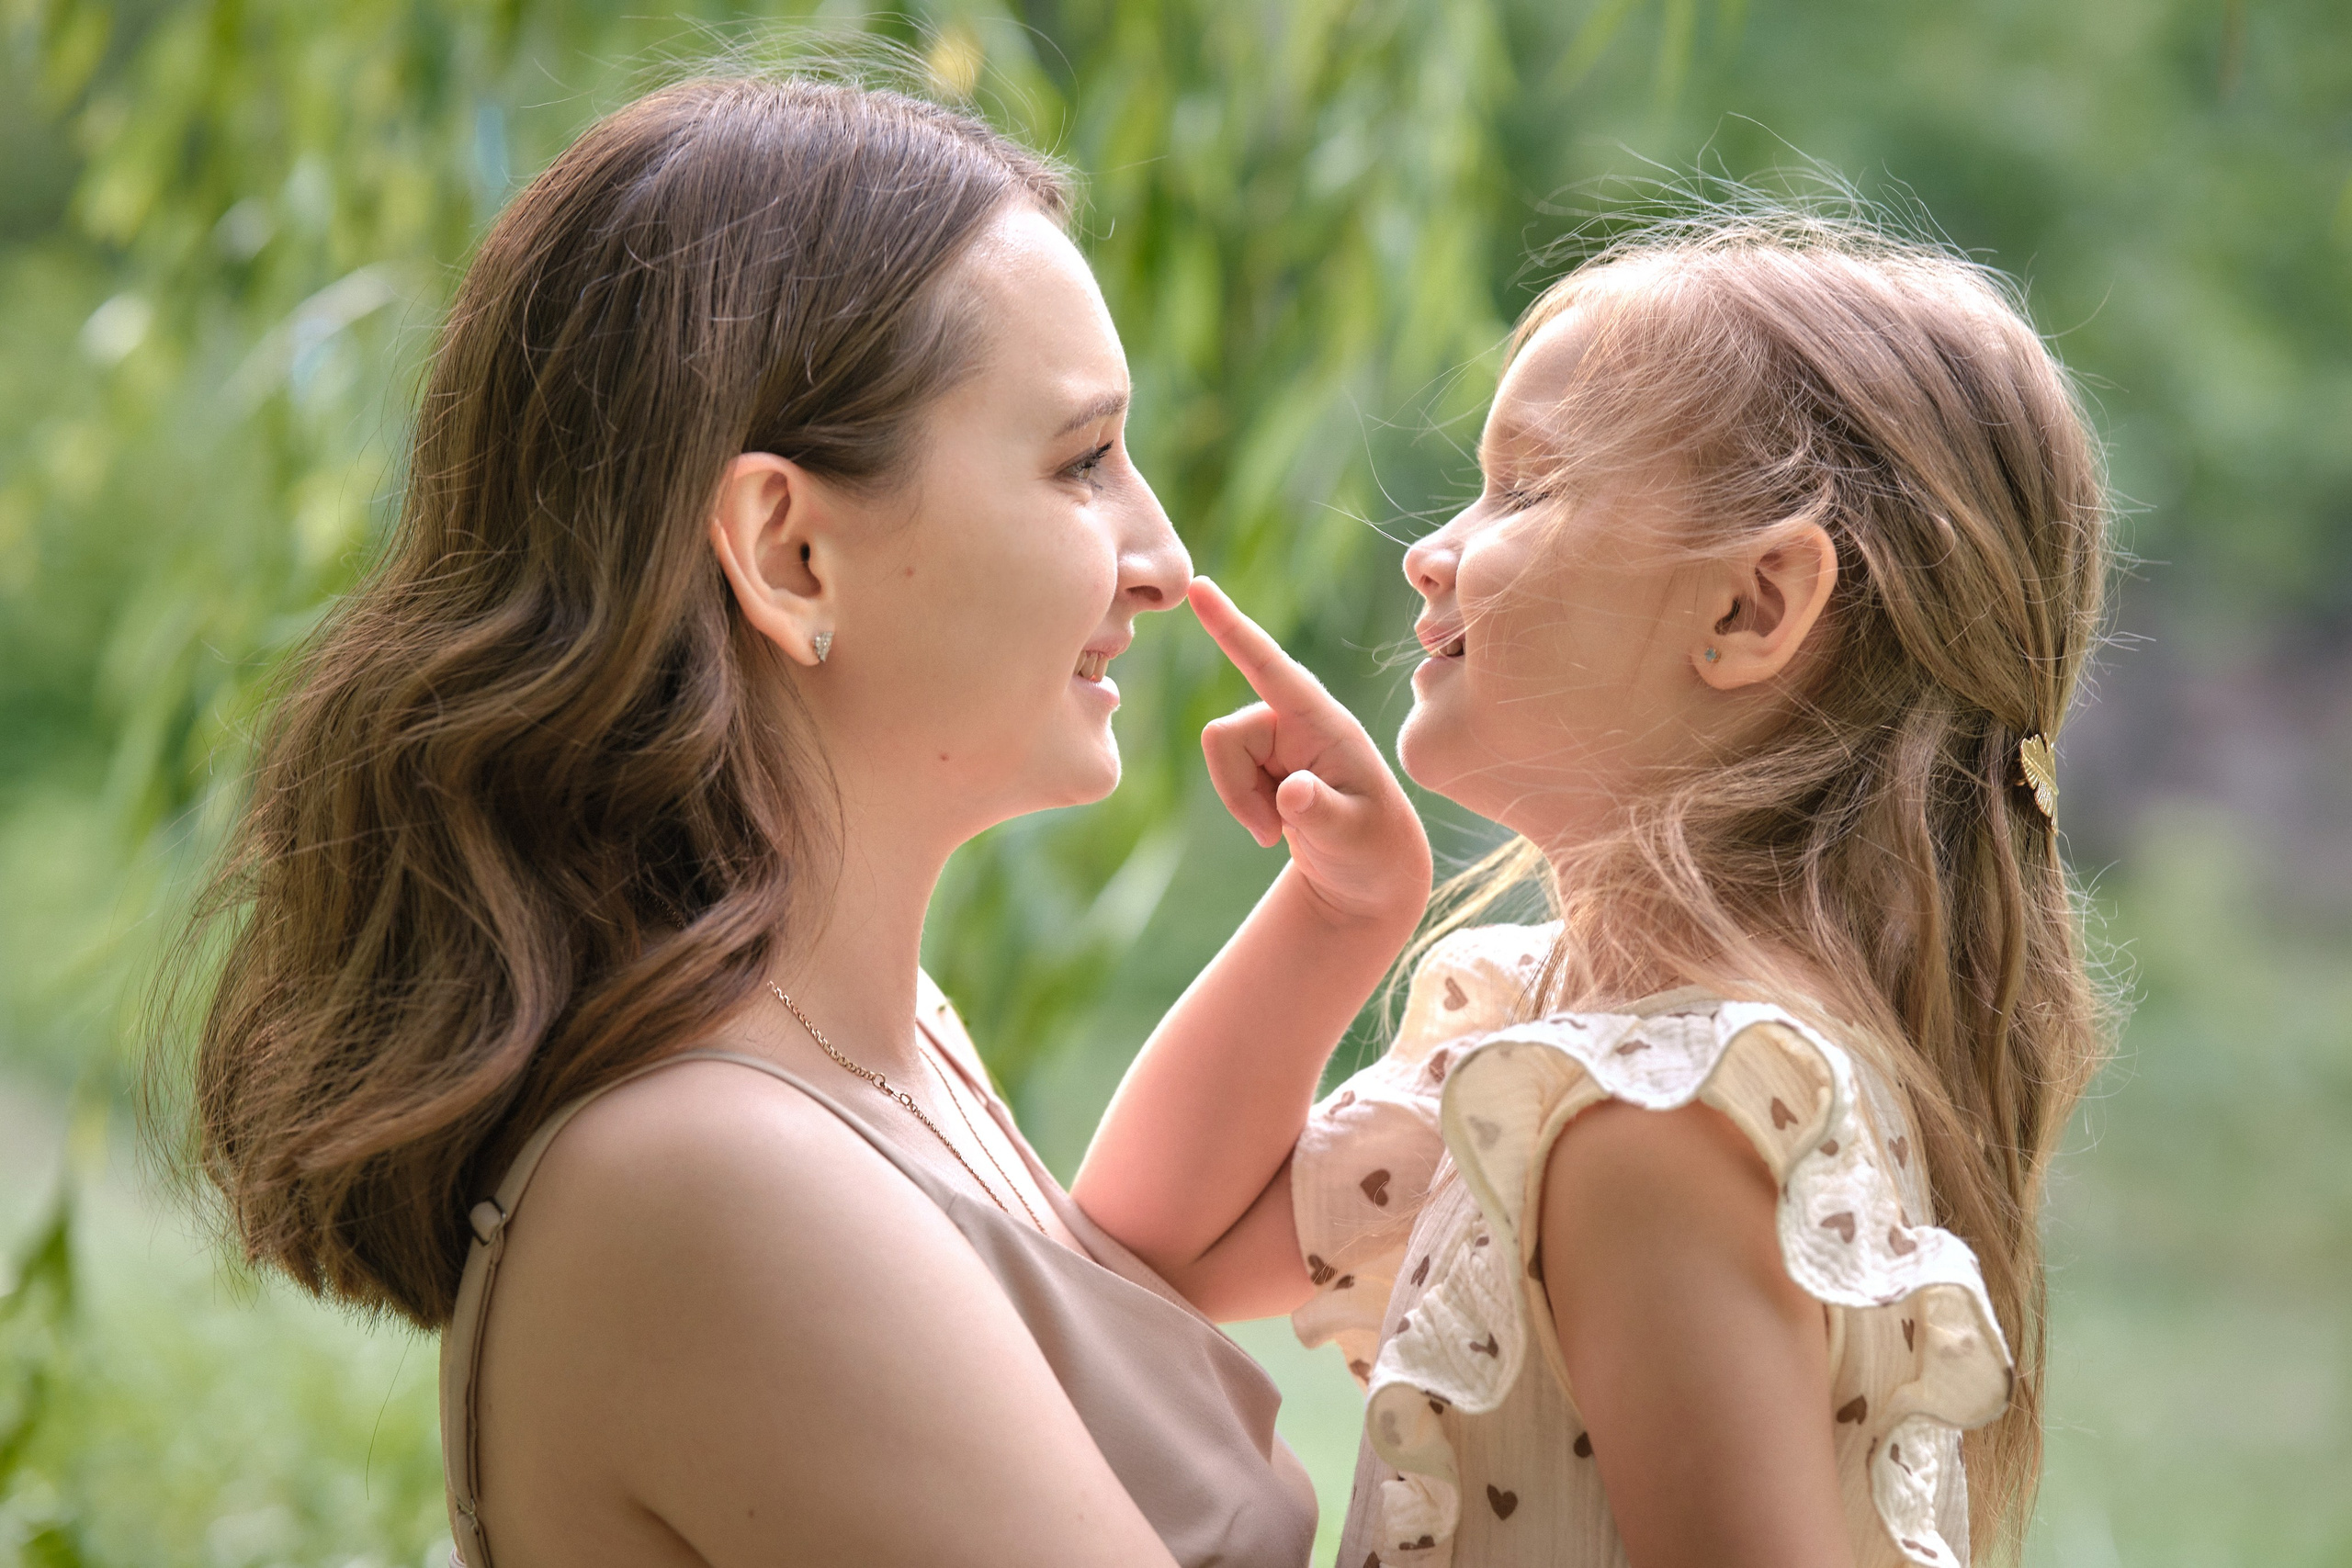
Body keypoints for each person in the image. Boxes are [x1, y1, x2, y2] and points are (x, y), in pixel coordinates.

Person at [170, 77, 1436, 1566]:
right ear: (789, 552)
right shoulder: (715, 1176)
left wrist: (1342, 922)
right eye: (1082, 461)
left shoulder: (878, 1056)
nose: (1160, 556)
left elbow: (1137, 1277)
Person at [1089, 216, 2112, 1567]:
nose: (1430, 550)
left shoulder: (1660, 1114)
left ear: (1751, 610)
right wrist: (1341, 912)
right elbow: (1155, 1250)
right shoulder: (1568, 1040)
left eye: (1524, 490)